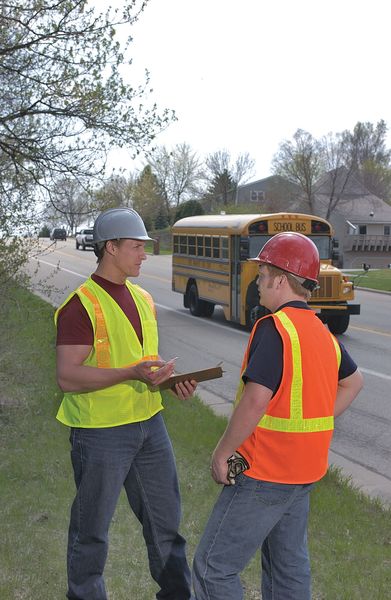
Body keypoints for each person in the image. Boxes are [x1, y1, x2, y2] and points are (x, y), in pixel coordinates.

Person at [192, 232, 363, 600]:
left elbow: (255, 400)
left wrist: (222, 452)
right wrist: (318, 422)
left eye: (263, 274)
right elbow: (354, 382)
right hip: (303, 474)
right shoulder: (322, 332)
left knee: (212, 569)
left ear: (281, 279)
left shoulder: (275, 329)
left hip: (265, 471)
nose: (258, 283)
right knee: (288, 575)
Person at [55, 207, 196, 600]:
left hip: (150, 426)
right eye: (136, 246)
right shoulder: (80, 305)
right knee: (92, 531)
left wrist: (169, 382)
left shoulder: (144, 298)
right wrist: (130, 373)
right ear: (111, 248)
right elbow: (67, 376)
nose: (144, 254)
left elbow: (143, 366)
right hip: (100, 434)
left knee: (165, 524)